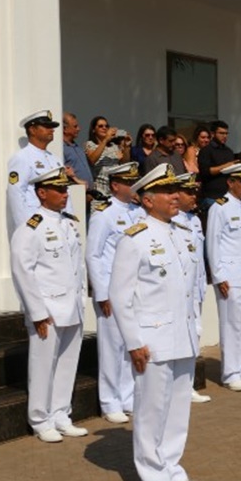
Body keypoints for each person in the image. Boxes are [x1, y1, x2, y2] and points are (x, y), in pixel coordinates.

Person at [109, 163, 205, 481]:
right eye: (166, 191)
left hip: (183, 335)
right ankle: (152, 476)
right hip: (153, 339)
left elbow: (190, 289)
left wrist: (196, 329)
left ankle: (172, 468)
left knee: (178, 411)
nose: (175, 196)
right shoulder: (135, 239)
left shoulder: (183, 233)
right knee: (152, 411)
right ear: (148, 200)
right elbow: (120, 296)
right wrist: (134, 342)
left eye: (175, 190)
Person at [10, 167, 87, 443]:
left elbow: (77, 267)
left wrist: (81, 300)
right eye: (59, 189)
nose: (65, 194)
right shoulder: (31, 227)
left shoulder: (68, 223)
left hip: (72, 306)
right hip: (48, 309)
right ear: (42, 193)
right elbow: (22, 270)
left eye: (66, 189)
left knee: (67, 364)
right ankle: (40, 419)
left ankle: (61, 414)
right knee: (42, 366)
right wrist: (37, 312)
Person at [86, 162, 145, 423]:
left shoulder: (138, 212)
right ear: (115, 185)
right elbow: (94, 254)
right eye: (128, 182)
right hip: (111, 289)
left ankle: (128, 397)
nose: (133, 186)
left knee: (130, 342)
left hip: (134, 289)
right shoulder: (104, 214)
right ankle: (110, 401)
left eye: (134, 181)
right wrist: (101, 293)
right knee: (112, 348)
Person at [206, 162, 241, 391]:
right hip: (230, 276)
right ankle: (230, 373)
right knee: (231, 325)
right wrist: (219, 276)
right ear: (230, 182)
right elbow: (213, 243)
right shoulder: (219, 207)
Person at [172, 173, 212, 404]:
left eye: (194, 191)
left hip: (195, 287)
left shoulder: (194, 220)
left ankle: (188, 384)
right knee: (181, 337)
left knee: (194, 334)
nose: (193, 196)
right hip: (180, 290)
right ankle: (180, 386)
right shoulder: (172, 221)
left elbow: (198, 256)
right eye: (188, 192)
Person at [7, 110, 68, 238]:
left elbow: (64, 191)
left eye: (52, 127)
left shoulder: (55, 160)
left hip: (57, 221)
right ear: (32, 130)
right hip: (35, 222)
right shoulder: (22, 158)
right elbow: (16, 193)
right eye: (46, 127)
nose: (52, 130)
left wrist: (68, 220)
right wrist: (25, 228)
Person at [85, 116, 130, 196]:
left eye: (106, 126)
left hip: (115, 188)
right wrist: (105, 140)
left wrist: (126, 147)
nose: (104, 128)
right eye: (100, 126)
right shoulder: (90, 144)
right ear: (93, 130)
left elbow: (125, 163)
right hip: (100, 188)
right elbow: (92, 160)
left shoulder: (114, 146)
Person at [198, 120, 237, 205]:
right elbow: (205, 172)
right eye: (221, 133)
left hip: (228, 195)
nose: (224, 136)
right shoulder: (206, 150)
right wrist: (225, 166)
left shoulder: (229, 151)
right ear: (212, 134)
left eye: (226, 133)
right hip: (211, 196)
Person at [61, 112, 94, 190]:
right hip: (75, 192)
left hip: (88, 193)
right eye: (75, 126)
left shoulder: (77, 147)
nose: (78, 129)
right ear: (64, 129)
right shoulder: (61, 148)